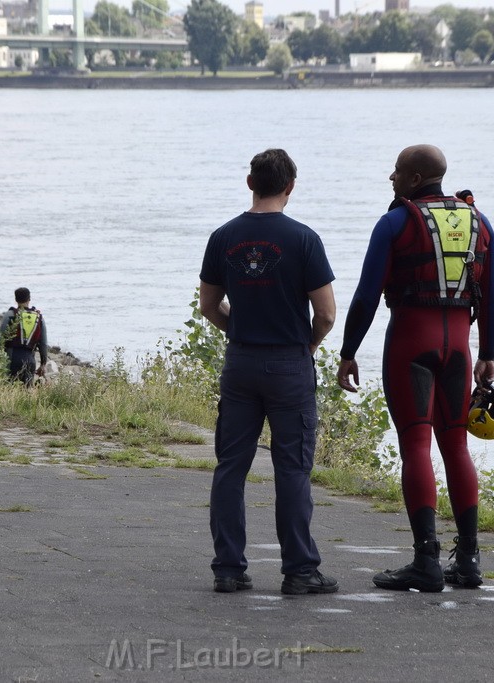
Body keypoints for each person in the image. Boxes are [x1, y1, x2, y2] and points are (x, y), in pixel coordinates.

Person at [336, 144, 494, 592]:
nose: (390, 178)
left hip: (411, 342)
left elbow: (367, 295)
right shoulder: (479, 222)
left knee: (415, 445)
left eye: (395, 172)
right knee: (457, 448)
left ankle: (426, 562)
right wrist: (487, 354)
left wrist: (348, 350)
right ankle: (468, 561)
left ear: (413, 179)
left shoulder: (394, 223)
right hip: (460, 348)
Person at [199, 148, 339, 596]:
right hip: (289, 364)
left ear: (249, 183)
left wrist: (237, 328)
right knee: (292, 468)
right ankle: (299, 570)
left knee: (231, 466)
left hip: (240, 361)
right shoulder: (304, 239)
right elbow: (327, 314)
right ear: (290, 187)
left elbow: (207, 306)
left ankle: (228, 568)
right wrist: (309, 345)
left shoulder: (223, 236)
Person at [0, 287, 47, 386]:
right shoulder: (39, 318)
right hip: (30, 360)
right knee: (26, 392)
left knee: (10, 389)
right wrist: (43, 364)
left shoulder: (10, 314)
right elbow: (43, 343)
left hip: (12, 358)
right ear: (29, 299)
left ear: (16, 300)